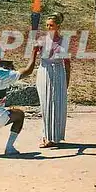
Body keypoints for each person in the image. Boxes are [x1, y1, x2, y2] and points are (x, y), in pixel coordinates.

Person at [36, 12, 70, 148]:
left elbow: (67, 63)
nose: (49, 27)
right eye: (47, 25)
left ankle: (55, 136)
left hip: (59, 73)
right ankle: (46, 136)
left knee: (58, 105)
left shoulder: (64, 41)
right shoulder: (41, 40)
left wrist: (67, 80)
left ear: (58, 26)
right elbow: (34, 57)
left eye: (51, 25)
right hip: (44, 72)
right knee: (46, 104)